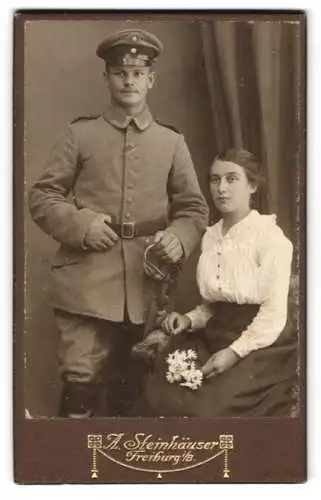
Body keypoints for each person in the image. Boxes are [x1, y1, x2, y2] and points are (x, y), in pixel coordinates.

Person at [28, 28, 209, 418]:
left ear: (151, 79)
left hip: (147, 284)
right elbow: (42, 197)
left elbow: (194, 208)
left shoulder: (170, 142)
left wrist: (179, 236)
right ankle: (72, 467)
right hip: (86, 282)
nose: (129, 81)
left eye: (138, 73)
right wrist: (81, 224)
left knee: (135, 384)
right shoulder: (80, 134)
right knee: (80, 380)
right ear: (106, 77)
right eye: (120, 72)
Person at [134, 148, 297, 417]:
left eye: (232, 179)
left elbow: (273, 314)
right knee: (160, 396)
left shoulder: (271, 238)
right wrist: (189, 320)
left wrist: (233, 353)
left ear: (252, 185)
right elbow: (212, 307)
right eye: (214, 179)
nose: (221, 188)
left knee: (207, 409)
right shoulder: (211, 237)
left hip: (261, 344)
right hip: (216, 334)